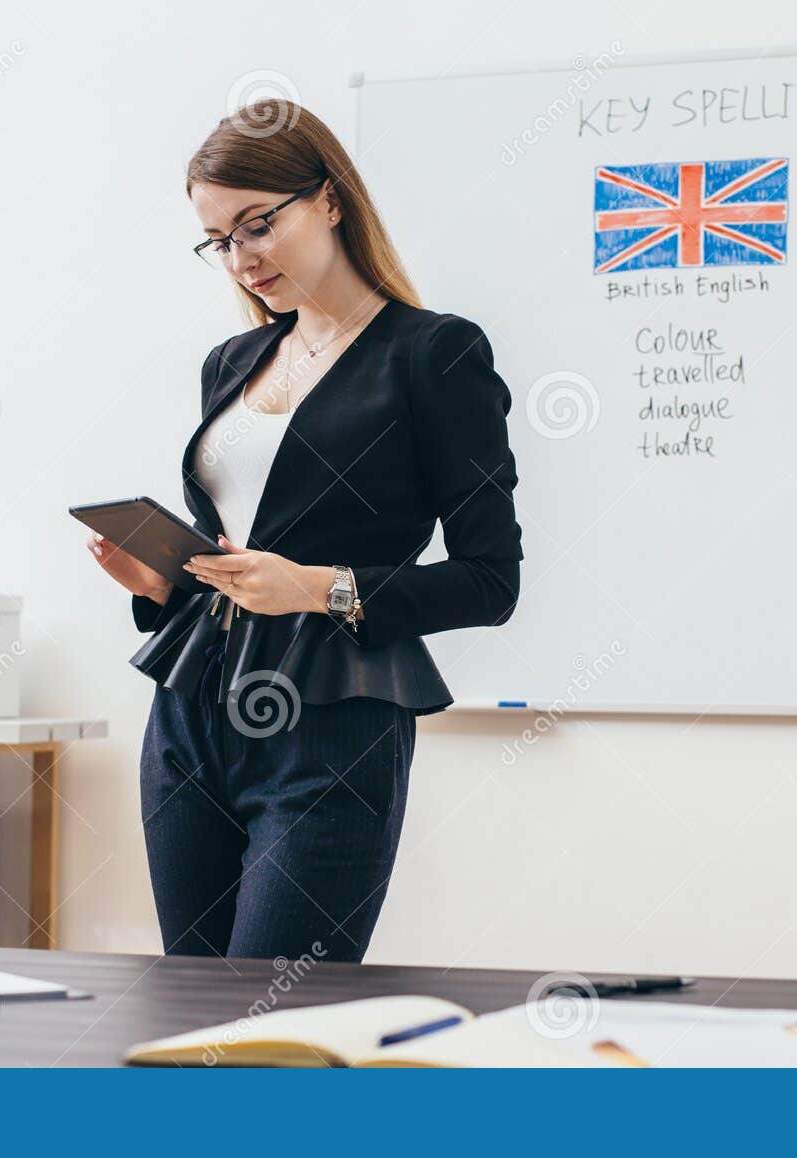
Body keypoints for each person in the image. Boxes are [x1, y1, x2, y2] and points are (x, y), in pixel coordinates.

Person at [89, 98, 523, 964]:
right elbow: (240, 546)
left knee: (270, 1033)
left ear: (329, 199)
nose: (241, 260)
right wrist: (161, 585)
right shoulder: (233, 362)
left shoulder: (434, 355)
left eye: (257, 226)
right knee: (193, 1018)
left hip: (331, 723)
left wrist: (319, 587)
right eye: (219, 241)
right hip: (189, 712)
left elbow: (491, 581)